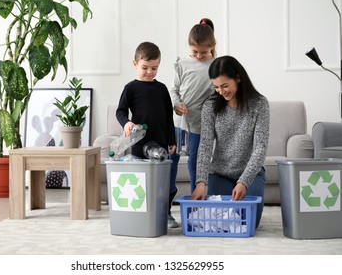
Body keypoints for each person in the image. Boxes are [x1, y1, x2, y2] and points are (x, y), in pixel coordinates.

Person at [191, 55, 270, 228]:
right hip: (220, 174)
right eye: (216, 87)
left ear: (238, 78)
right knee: (220, 220)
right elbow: (204, 146)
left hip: (251, 174)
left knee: (247, 221)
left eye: (225, 85)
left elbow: (260, 148)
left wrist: (244, 181)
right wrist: (201, 182)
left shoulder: (260, 104)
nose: (221, 91)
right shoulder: (211, 106)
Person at [116, 41, 177, 226]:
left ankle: (165, 213)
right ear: (135, 64)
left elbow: (168, 117)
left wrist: (172, 140)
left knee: (164, 182)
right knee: (141, 182)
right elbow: (120, 111)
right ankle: (141, 213)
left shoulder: (162, 89)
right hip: (139, 144)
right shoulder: (131, 88)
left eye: (154, 68)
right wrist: (126, 123)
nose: (149, 72)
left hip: (161, 143)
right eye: (145, 67)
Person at [168, 18, 216, 228]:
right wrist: (177, 103)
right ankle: (167, 210)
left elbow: (219, 94)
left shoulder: (215, 66)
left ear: (212, 48)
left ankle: (199, 208)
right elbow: (173, 90)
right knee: (171, 163)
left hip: (199, 126)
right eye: (194, 52)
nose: (198, 56)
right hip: (178, 123)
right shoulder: (181, 64)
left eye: (203, 53)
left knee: (196, 164)